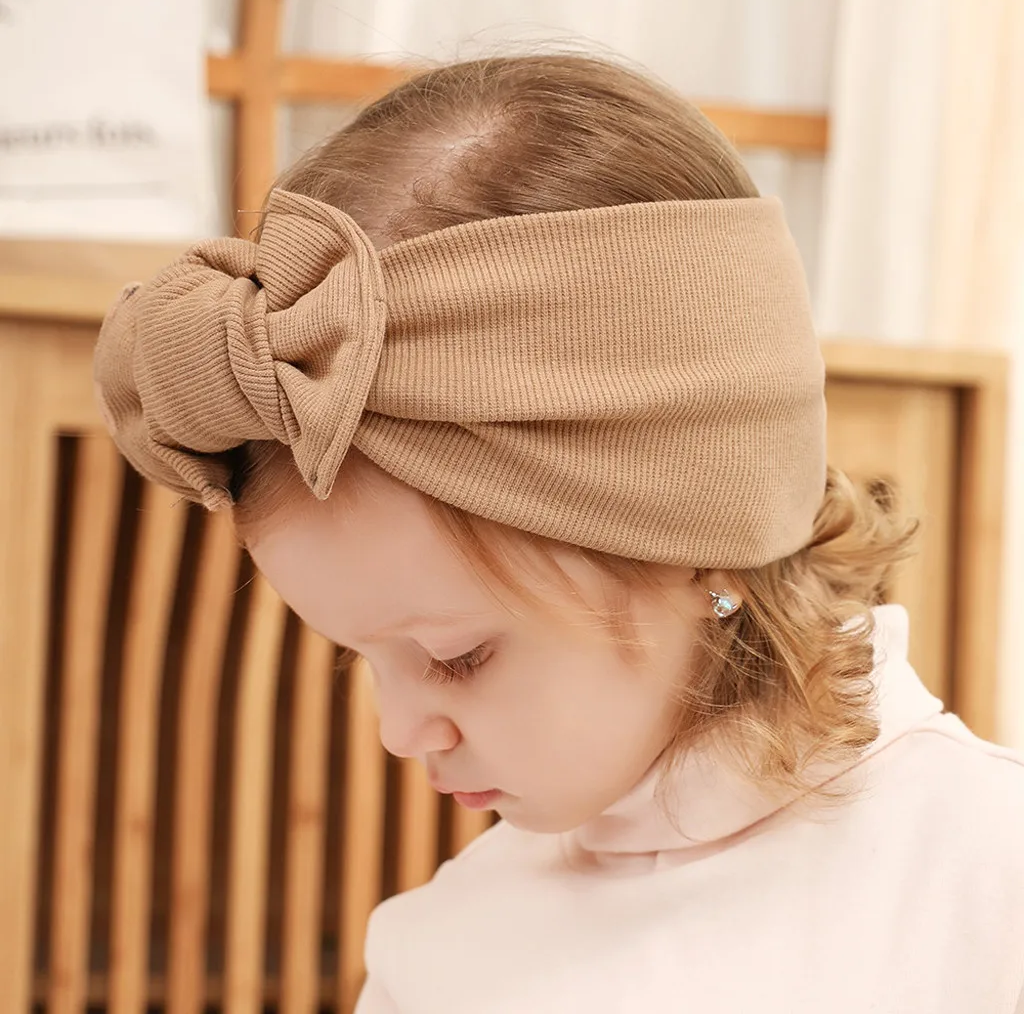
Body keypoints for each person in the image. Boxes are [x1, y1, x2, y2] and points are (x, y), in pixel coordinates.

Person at [93, 53, 1024, 1013]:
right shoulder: (440, 953)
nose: (399, 731)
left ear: (701, 534)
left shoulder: (987, 889)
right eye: (360, 656)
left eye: (454, 656)